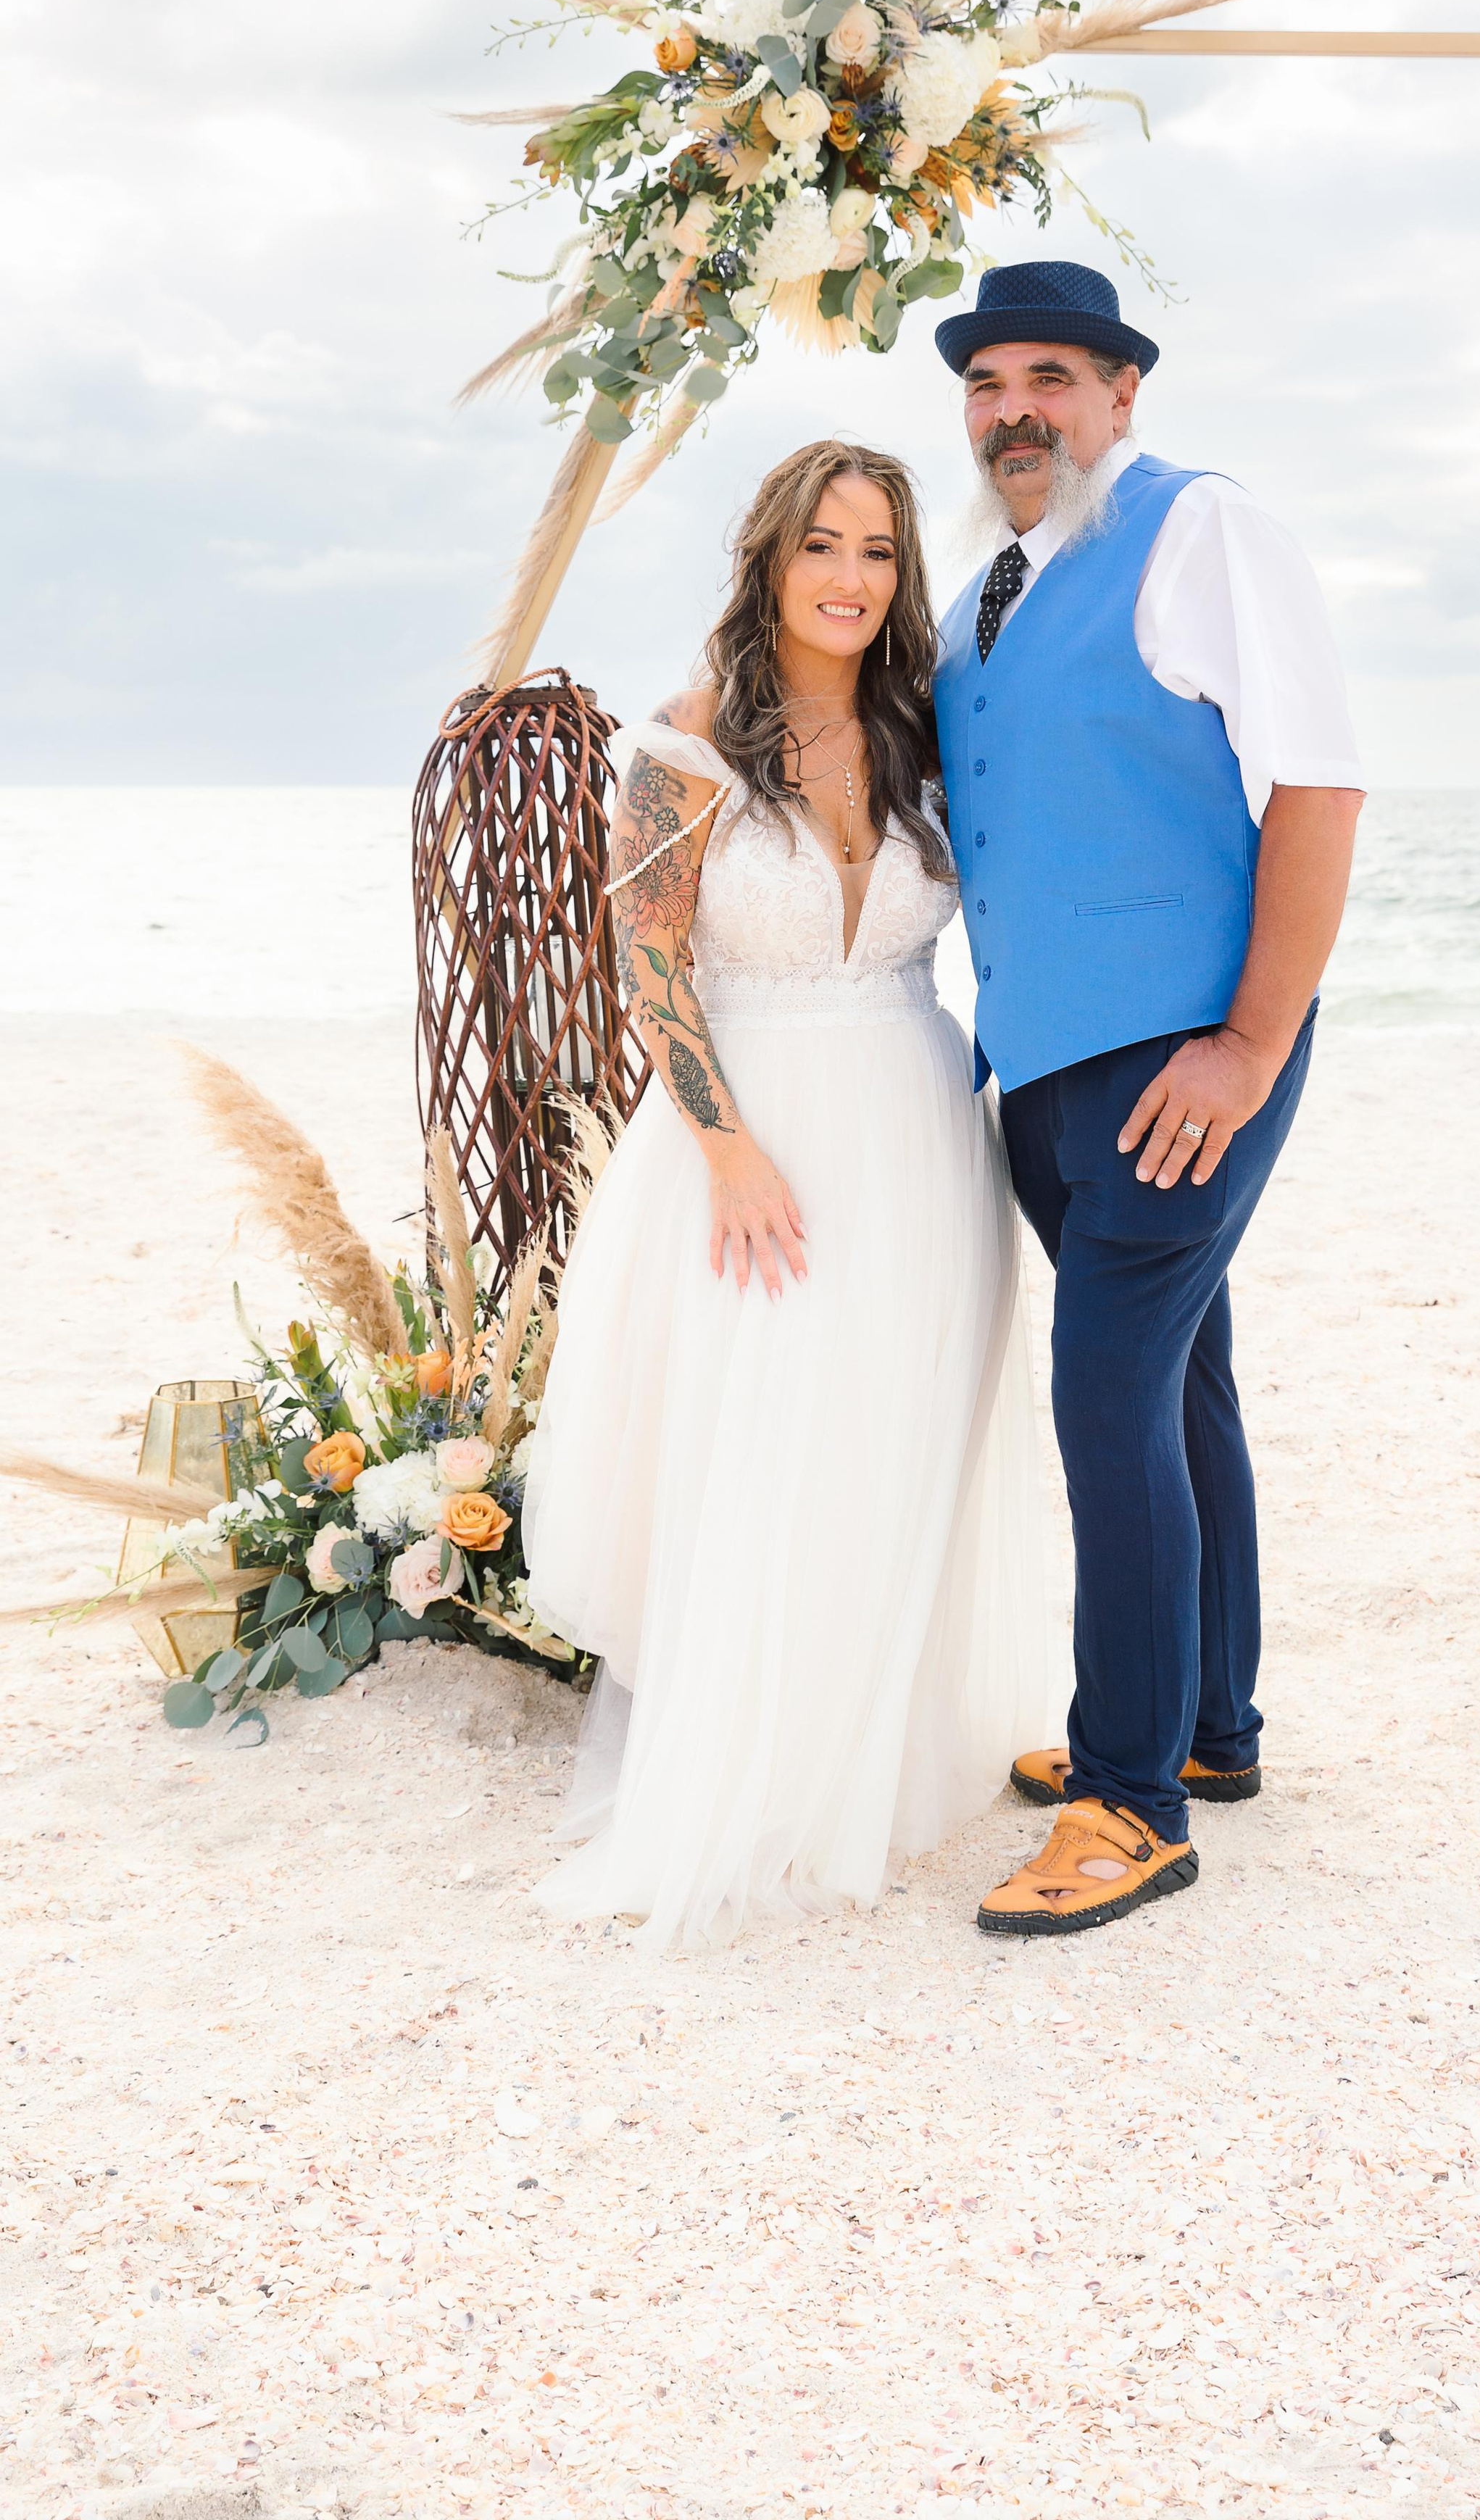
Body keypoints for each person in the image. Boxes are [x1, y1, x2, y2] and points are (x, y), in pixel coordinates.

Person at [521, 438, 1060, 1950]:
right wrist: (729, 1149)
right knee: (761, 1440)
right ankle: (751, 1762)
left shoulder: (923, 732)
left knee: (888, 1434)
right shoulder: (683, 741)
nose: (848, 578)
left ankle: (870, 1749)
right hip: (751, 1139)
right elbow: (650, 970)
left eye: (879, 552)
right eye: (821, 546)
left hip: (915, 1117)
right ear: (767, 557)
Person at [932, 260, 1366, 1939]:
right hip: (1042, 1063)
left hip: (1188, 1053)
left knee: (1101, 1394)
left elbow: (1317, 783)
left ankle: (1130, 1803)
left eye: (1051, 376)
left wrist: (1250, 1044)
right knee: (1179, 1387)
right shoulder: (991, 589)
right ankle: (1208, 1729)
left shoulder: (1202, 530)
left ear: (1121, 396)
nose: (1014, 409)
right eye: (984, 384)